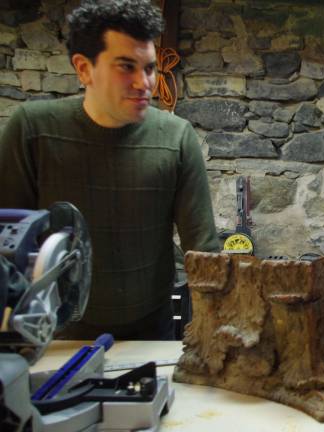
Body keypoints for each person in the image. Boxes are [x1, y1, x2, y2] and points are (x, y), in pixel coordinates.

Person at [0, 0, 220, 340]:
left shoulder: (176, 137)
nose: (143, 82)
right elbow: (8, 243)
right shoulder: (32, 130)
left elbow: (204, 250)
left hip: (152, 331)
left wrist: (219, 331)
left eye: (149, 68)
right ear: (84, 69)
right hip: (54, 333)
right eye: (125, 67)